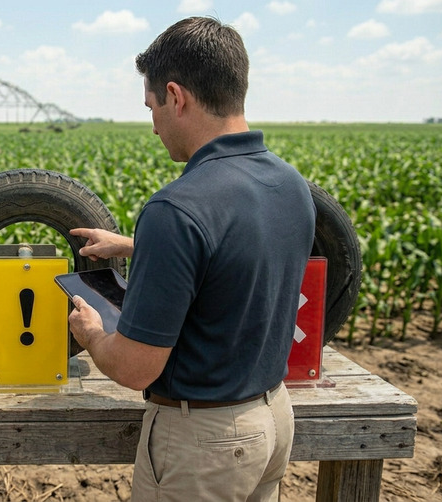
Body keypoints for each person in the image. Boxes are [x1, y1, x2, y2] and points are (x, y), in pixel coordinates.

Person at [67, 16, 316, 502]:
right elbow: (236, 254)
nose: (154, 126)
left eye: (152, 107)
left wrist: (92, 333)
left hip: (206, 444)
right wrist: (135, 245)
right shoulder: (290, 184)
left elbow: (136, 368)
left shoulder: (176, 209)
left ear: (176, 97)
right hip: (272, 418)